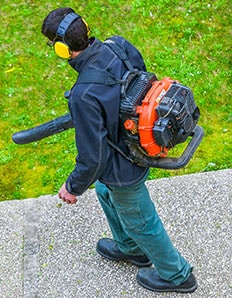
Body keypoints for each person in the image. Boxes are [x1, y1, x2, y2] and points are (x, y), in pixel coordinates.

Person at [41, 7, 198, 293]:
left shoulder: (83, 95)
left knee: (141, 221)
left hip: (126, 163)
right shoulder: (119, 46)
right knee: (104, 191)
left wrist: (72, 187)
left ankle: (177, 276)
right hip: (133, 143)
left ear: (63, 50)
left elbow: (93, 157)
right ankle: (130, 248)